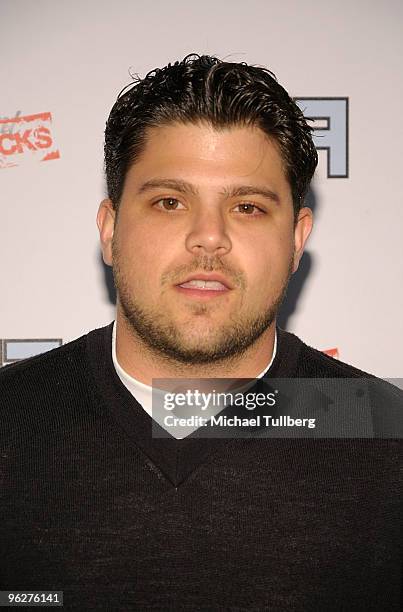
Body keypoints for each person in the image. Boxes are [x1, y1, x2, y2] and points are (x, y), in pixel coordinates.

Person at [0, 54, 401, 611]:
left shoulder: (385, 436)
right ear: (110, 230)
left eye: (247, 206)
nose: (208, 238)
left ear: (296, 239)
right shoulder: (9, 420)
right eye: (169, 202)